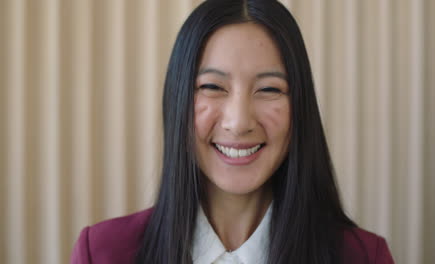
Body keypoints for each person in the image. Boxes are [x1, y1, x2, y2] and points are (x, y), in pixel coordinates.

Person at [71, 0, 394, 263]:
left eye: (269, 89)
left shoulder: (364, 256)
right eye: (212, 86)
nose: (239, 122)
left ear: (300, 108)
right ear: (178, 101)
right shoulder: (101, 253)